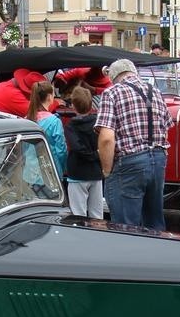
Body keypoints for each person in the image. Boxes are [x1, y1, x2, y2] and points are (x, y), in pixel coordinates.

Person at [96, 59, 173, 231]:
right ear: (133, 72)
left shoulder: (112, 93)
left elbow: (107, 138)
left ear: (113, 77)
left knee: (126, 225)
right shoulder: (155, 91)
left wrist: (107, 171)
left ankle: (129, 256)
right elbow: (166, 128)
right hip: (158, 159)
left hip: (129, 163)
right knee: (154, 221)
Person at [64, 86, 103, 218]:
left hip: (77, 173)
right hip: (96, 171)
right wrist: (97, 154)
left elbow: (77, 147)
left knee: (78, 213)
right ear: (91, 104)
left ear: (73, 106)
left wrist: (91, 155)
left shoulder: (71, 126)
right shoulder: (97, 123)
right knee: (97, 214)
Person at [27, 81, 66, 179]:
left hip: (29, 171)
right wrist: (62, 168)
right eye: (53, 94)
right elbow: (61, 150)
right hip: (49, 172)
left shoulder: (27, 119)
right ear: (49, 97)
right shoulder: (54, 121)